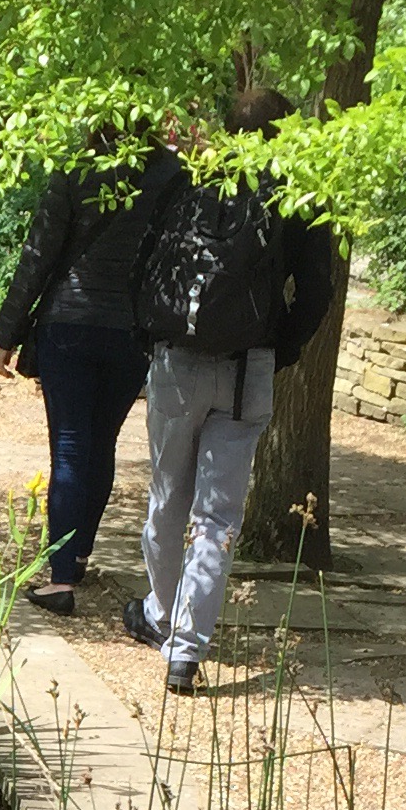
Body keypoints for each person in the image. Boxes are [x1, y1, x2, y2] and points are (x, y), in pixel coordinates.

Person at [123, 87, 336, 695]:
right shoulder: (297, 195)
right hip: (248, 370)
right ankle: (185, 651)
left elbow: (143, 268)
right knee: (216, 517)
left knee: (167, 499)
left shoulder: (189, 182)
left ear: (227, 129)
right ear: (286, 133)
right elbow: (316, 291)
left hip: (176, 362)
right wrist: (279, 349)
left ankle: (165, 616)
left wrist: (150, 339)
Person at [0, 129, 180, 617]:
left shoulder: (76, 167)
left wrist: (7, 332)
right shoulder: (171, 174)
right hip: (131, 330)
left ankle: (59, 579)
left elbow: (40, 253)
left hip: (69, 324)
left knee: (71, 446)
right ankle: (76, 556)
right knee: (102, 442)